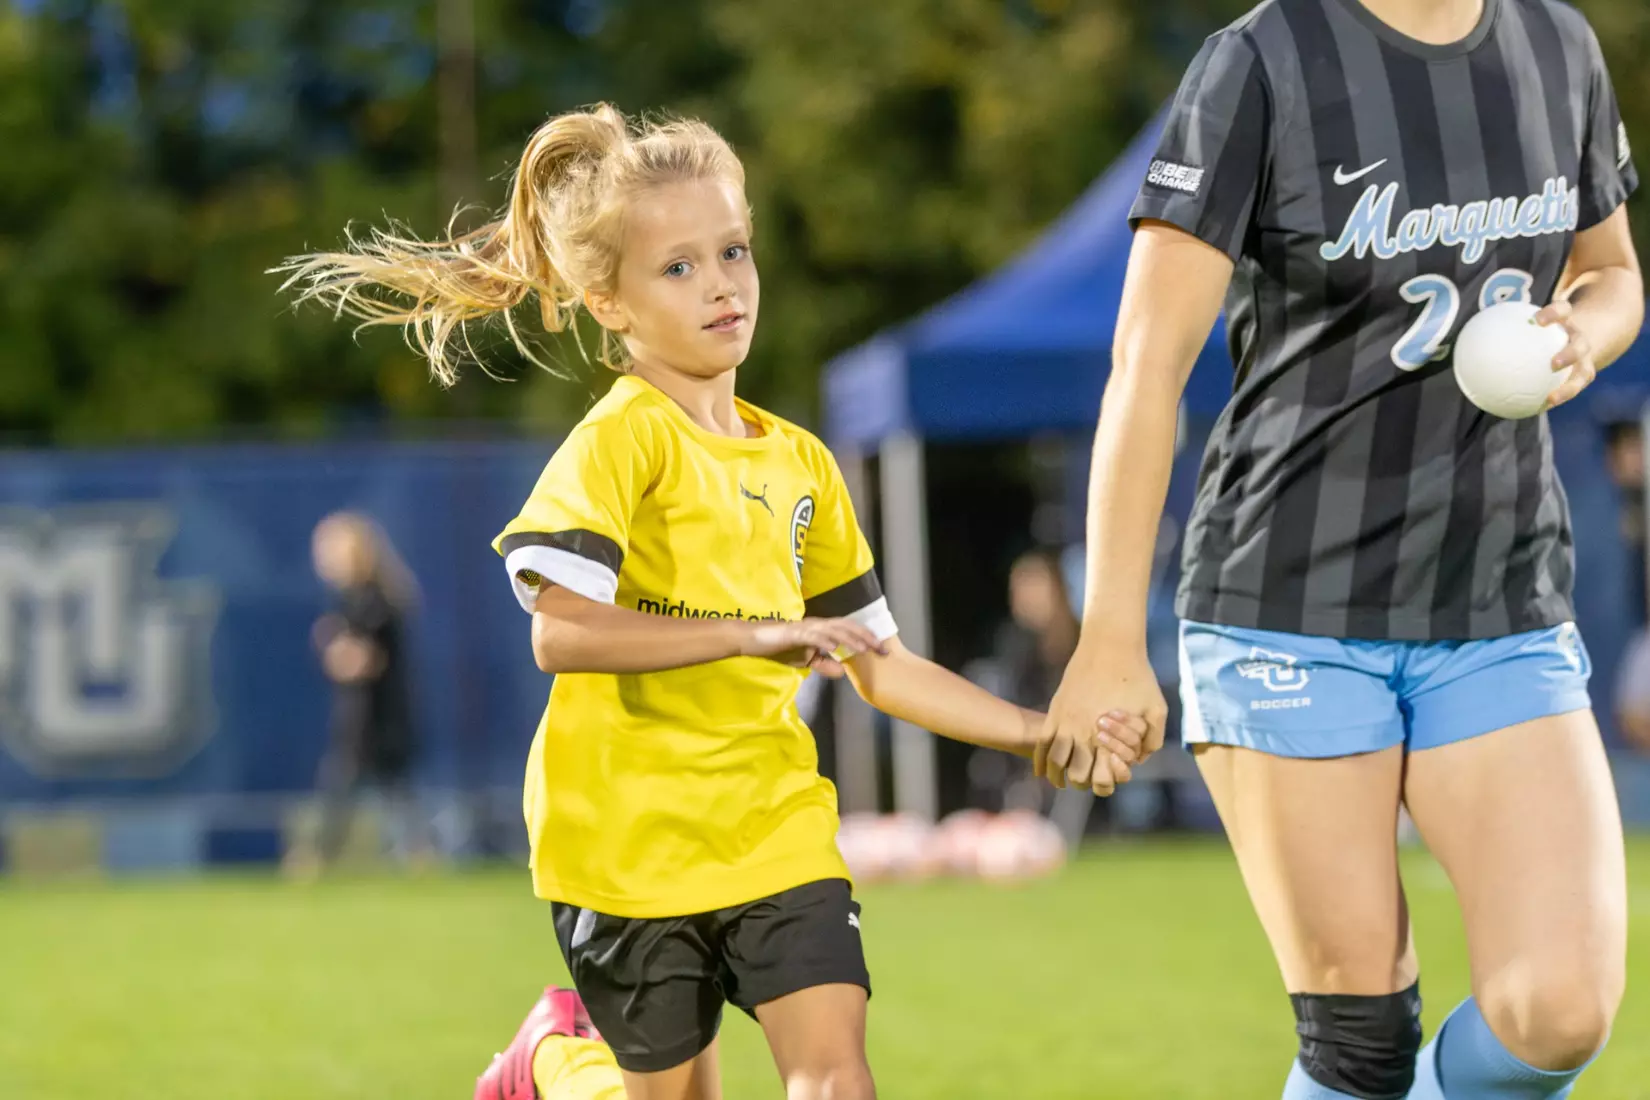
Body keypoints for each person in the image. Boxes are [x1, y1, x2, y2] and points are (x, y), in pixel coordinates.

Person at [278, 104, 1141, 1100]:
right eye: (678, 266)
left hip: (773, 824)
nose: (723, 282)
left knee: (837, 1077)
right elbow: (558, 631)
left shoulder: (803, 464)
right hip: (624, 843)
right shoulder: (621, 441)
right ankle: (554, 1060)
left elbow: (880, 662)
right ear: (610, 302)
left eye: (733, 249)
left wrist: (1034, 733)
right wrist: (750, 632)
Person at [1035, 1, 1641, 1098]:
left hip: (1497, 598)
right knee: (1360, 1050)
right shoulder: (1261, 62)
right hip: (1285, 605)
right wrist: (1109, 637)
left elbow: (1613, 272)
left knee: (1560, 1008)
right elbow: (1146, 366)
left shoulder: (1560, 46)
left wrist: (1583, 334)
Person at [289, 510, 431, 877]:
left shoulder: (376, 603)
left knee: (359, 791)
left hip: (377, 720)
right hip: (361, 718)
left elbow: (360, 660)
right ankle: (418, 854)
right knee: (377, 793)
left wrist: (333, 645)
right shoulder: (355, 602)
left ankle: (316, 860)